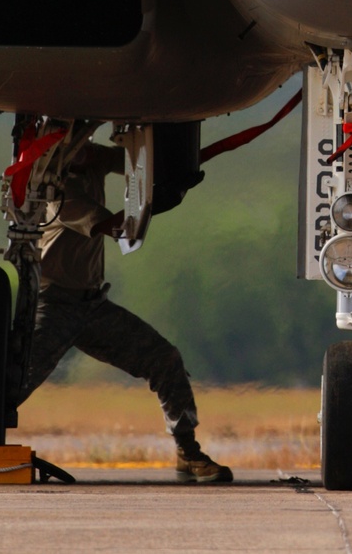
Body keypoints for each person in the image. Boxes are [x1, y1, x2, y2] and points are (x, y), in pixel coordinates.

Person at [16, 135, 232, 485]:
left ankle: (188, 452)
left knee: (164, 359)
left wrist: (179, 163)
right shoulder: (58, 191)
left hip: (92, 307)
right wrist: (163, 198)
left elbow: (134, 161)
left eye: (84, 136)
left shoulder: (91, 158)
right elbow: (116, 227)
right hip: (55, 305)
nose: (84, 145)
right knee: (16, 382)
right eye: (74, 141)